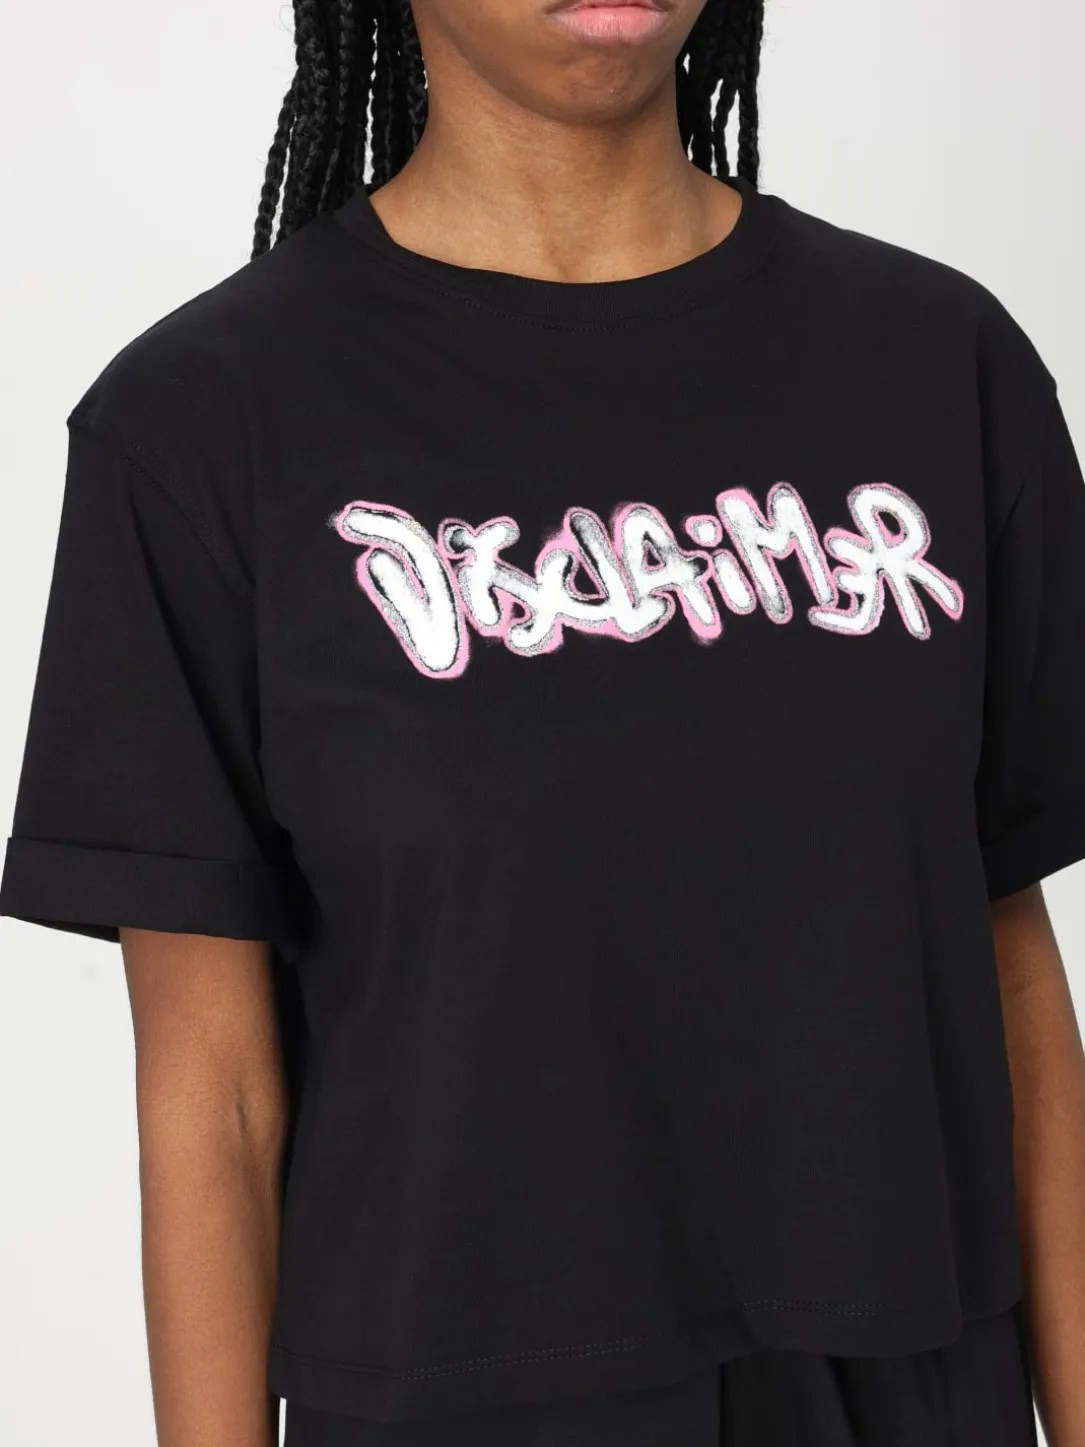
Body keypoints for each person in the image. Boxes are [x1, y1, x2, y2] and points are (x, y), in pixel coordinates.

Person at [3, 0, 1085, 1442]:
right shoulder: (202, 429)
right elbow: (213, 1095)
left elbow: (1009, 966)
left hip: (916, 1393)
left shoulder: (942, 368)